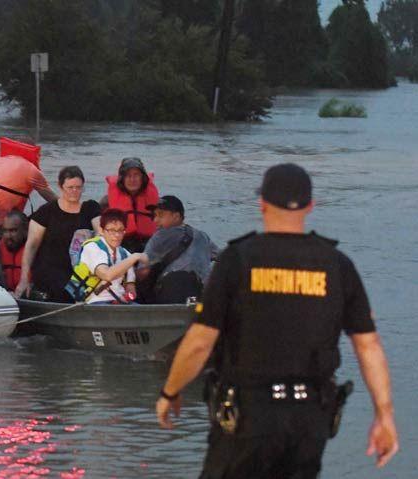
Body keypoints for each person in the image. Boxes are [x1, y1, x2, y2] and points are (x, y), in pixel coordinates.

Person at [156, 163, 398, 477]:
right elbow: (369, 346)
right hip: (309, 421)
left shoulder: (237, 260)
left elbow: (201, 341)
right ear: (311, 205)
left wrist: (170, 392)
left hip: (246, 417)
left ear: (262, 204)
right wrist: (384, 416)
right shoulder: (337, 265)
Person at [15, 166, 101, 302]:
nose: (75, 191)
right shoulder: (46, 212)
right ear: (61, 187)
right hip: (50, 270)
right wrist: (24, 279)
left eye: (78, 187)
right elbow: (31, 246)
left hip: (79, 270)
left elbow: (100, 231)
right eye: (70, 187)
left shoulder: (91, 208)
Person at [136, 195, 219, 304]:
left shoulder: (161, 235)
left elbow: (143, 271)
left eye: (160, 215)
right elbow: (222, 257)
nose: (155, 220)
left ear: (176, 216)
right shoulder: (202, 236)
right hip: (202, 295)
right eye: (155, 215)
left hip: (172, 293)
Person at [74, 209, 146, 304]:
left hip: (119, 303)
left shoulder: (125, 254)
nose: (117, 235)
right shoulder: (92, 247)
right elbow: (107, 275)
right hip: (93, 302)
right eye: (111, 230)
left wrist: (128, 297)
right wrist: (135, 257)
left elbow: (130, 288)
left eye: (120, 230)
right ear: (101, 230)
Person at [99, 157, 160, 252]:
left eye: (136, 175)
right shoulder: (106, 202)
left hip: (149, 247)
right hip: (120, 246)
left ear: (143, 178)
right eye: (128, 176)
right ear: (122, 179)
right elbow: (101, 229)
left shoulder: (158, 204)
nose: (132, 179)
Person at [0, 210, 28, 292]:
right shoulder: (1, 247)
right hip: (8, 295)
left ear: (25, 230)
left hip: (30, 297)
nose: (8, 236)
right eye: (5, 231)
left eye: (13, 231)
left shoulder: (37, 250)